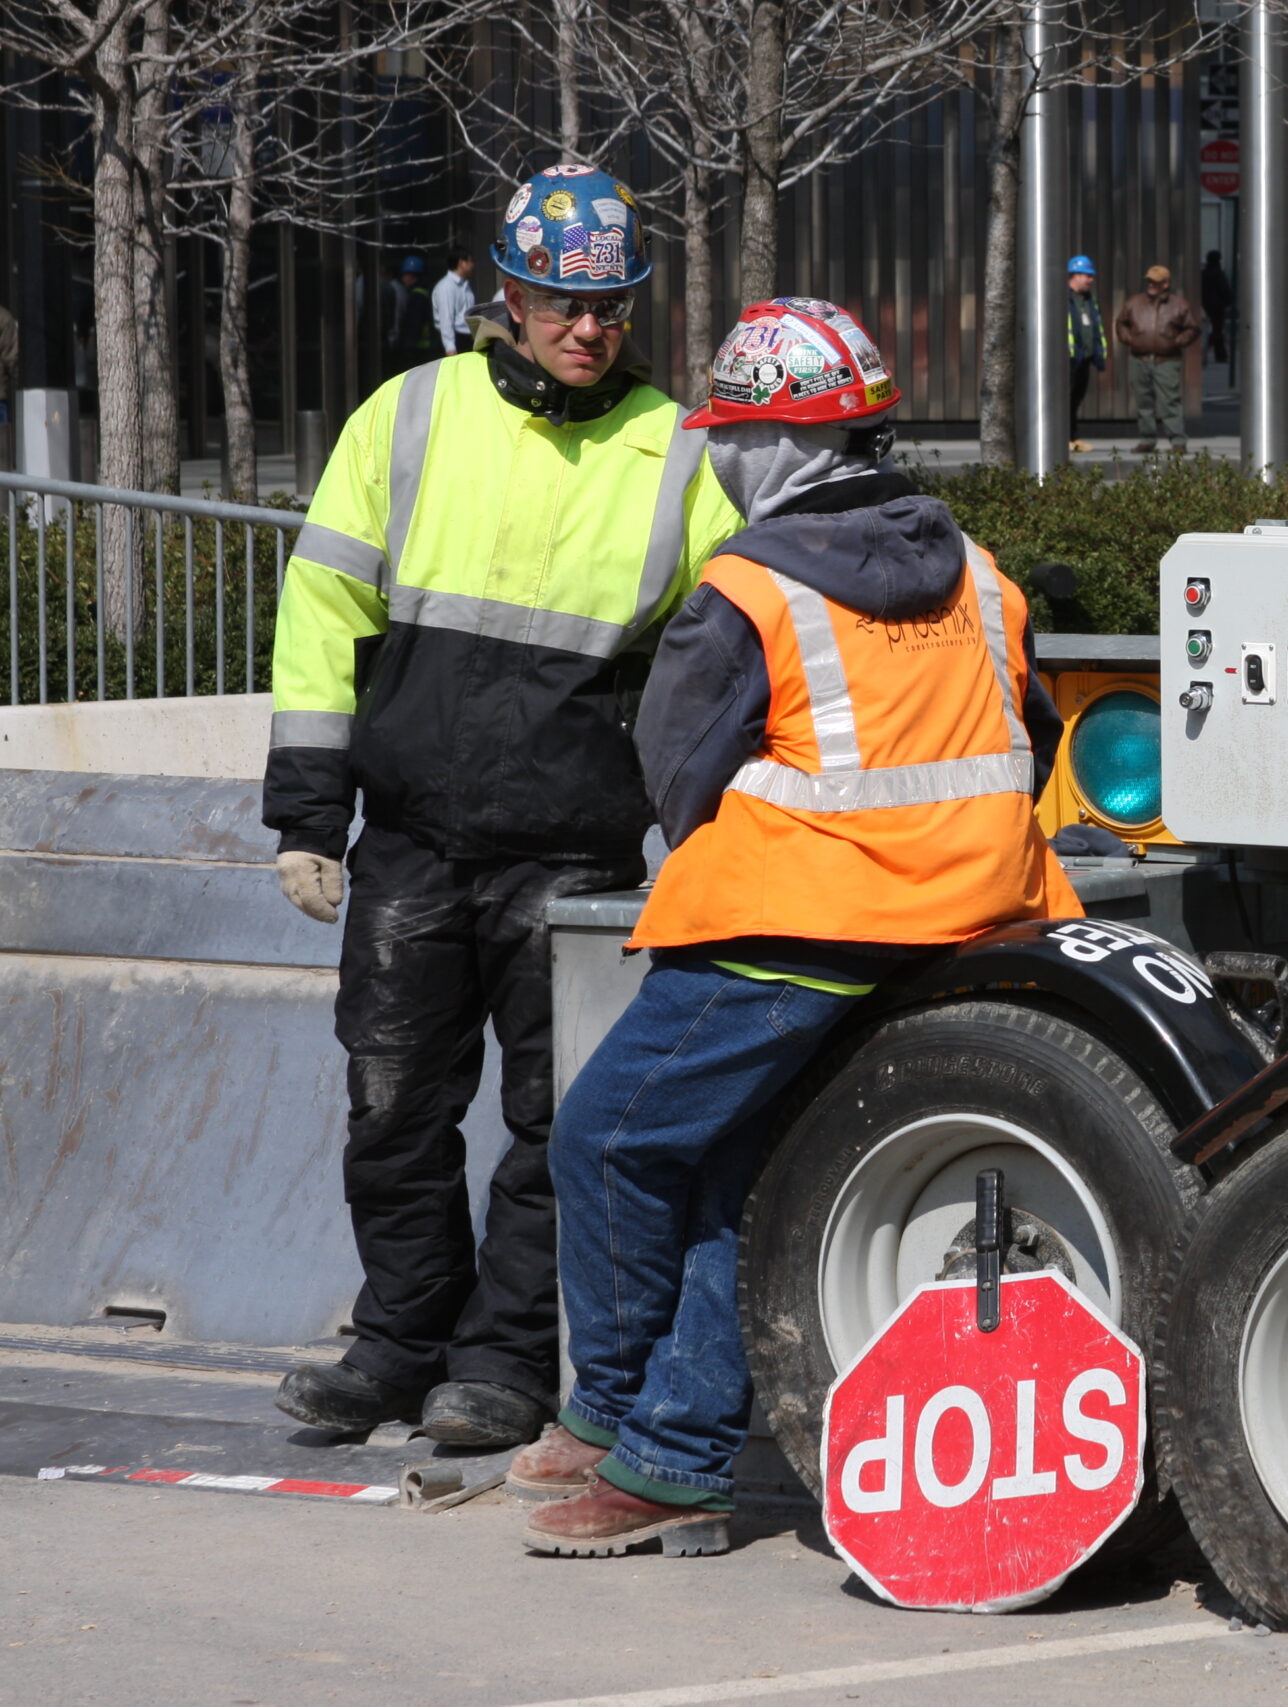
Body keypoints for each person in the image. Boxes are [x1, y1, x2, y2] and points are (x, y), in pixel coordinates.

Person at [511, 298, 1079, 1556]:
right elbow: (1023, 738)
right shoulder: (984, 574)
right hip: (980, 917)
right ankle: (671, 1456)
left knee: (607, 1140)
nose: (716, 454)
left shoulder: (748, 585)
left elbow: (680, 774)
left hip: (801, 926)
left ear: (779, 444)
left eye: (731, 433)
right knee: (733, 1173)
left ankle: (613, 1415)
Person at [262, 164, 743, 1450]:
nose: (590, 330)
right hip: (413, 841)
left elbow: (734, 647)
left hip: (573, 855)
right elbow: (322, 616)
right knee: (392, 1104)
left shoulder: (677, 456)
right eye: (562, 304)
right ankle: (399, 1340)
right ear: (505, 295)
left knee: (554, 1125)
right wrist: (308, 818)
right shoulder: (407, 417)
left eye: (613, 308)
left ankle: (504, 1361)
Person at [1113, 264, 1200, 454]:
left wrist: (1177, 341)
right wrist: (1130, 339)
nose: (1151, 284)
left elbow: (1193, 328)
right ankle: (1147, 439)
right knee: (1143, 401)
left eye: (1156, 282)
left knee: (1170, 401)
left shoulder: (1179, 305)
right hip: (1140, 358)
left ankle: (1177, 441)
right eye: (1150, 281)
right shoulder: (1134, 303)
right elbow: (1121, 323)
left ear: (1166, 284)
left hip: (1167, 360)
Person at [1065, 255, 1109, 454]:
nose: (1091, 280)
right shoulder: (1064, 299)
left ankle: (1072, 437)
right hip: (1068, 359)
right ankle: (1064, 437)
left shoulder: (1089, 301)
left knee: (1075, 398)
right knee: (1064, 398)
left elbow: (1095, 327)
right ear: (1075, 275)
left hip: (1084, 358)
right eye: (1087, 275)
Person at [387, 254, 437, 362]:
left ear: (413, 276)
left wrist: (408, 347)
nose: (403, 278)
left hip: (418, 348)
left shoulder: (417, 297)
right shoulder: (421, 293)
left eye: (406, 274)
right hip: (422, 347)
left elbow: (413, 324)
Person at [431, 250, 477, 356]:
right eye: (470, 261)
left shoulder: (466, 285)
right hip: (455, 340)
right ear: (461, 262)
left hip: (467, 339)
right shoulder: (446, 287)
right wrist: (450, 346)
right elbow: (446, 318)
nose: (472, 265)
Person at [1200, 249, 1234, 367]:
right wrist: (1229, 301)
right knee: (1217, 330)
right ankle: (1217, 353)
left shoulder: (1204, 273)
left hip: (1206, 305)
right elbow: (1224, 289)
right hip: (1218, 306)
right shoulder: (1219, 273)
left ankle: (1217, 353)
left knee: (1214, 330)